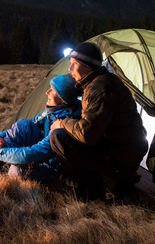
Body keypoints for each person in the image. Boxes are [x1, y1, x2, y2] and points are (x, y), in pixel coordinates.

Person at [49, 41, 148, 200]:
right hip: (124, 152)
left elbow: (87, 134)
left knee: (58, 137)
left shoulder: (99, 88)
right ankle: (115, 182)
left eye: (74, 64)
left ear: (87, 66)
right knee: (67, 135)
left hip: (120, 159)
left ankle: (93, 194)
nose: (70, 69)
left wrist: (62, 122)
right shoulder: (103, 81)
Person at [0, 74, 81, 182]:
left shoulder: (64, 124)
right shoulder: (55, 110)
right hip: (45, 158)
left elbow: (33, 154)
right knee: (24, 125)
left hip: (57, 170)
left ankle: (5, 162)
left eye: (52, 90)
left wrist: (2, 153)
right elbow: (30, 123)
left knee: (18, 171)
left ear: (63, 99)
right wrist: (1, 137)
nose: (47, 92)